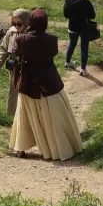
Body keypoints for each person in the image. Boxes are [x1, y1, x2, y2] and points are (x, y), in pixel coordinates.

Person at [10, 8, 83, 160]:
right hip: (49, 82)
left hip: (28, 83)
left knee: (24, 116)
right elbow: (51, 54)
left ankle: (21, 149)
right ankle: (56, 150)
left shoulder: (21, 39)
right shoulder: (52, 40)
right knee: (53, 119)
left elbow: (17, 53)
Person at [0, 9, 31, 115]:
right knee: (13, 91)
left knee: (27, 92)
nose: (16, 26)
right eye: (14, 23)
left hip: (28, 69)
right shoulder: (11, 32)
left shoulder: (32, 34)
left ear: (26, 21)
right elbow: (3, 50)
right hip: (14, 68)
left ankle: (27, 115)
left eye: (19, 23)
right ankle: (12, 115)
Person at [63, 0, 96, 77]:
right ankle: (83, 69)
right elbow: (93, 16)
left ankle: (67, 62)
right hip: (84, 27)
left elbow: (66, 15)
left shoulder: (67, 1)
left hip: (72, 27)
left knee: (72, 44)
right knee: (84, 47)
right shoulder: (86, 2)